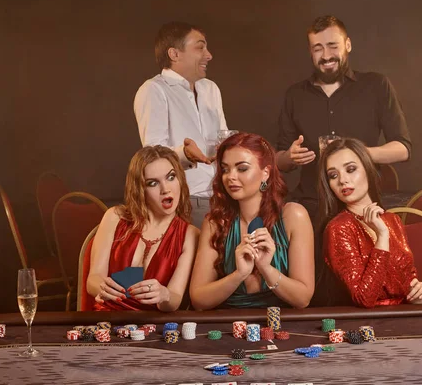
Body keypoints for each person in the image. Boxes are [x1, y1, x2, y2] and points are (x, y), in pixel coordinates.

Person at [276, 15, 412, 221]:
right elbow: (279, 161)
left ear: (347, 45)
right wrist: (289, 157)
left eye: (332, 46)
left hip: (360, 206)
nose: (326, 55)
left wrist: (359, 154)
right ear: (310, 52)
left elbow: (402, 149)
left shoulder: (376, 85)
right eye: (318, 48)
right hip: (310, 205)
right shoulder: (295, 94)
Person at [189, 133, 314, 309]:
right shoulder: (215, 222)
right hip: (228, 327)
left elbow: (302, 299)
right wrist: (239, 274)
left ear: (265, 173)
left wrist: (266, 269)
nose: (230, 177)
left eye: (242, 169)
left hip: (283, 326)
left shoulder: (293, 216)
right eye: (225, 169)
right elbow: (199, 300)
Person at [134, 21, 228, 229]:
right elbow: (151, 158)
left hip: (223, 198)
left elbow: (223, 137)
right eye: (200, 47)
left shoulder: (211, 89)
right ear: (174, 54)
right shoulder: (154, 90)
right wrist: (185, 154)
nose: (209, 55)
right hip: (186, 203)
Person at [318, 138, 422, 308]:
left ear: (368, 169)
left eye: (351, 169)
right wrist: (382, 237)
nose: (342, 180)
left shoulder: (392, 220)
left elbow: (408, 279)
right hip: (365, 326)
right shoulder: (339, 228)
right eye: (333, 175)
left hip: (402, 320)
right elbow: (364, 298)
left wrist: (417, 294)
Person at [87, 146, 199, 311]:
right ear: (140, 189)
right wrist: (101, 286)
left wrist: (164, 294)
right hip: (107, 319)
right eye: (152, 183)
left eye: (171, 177)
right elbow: (93, 279)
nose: (165, 189)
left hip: (152, 328)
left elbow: (174, 299)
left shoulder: (190, 234)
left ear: (180, 179)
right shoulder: (115, 217)